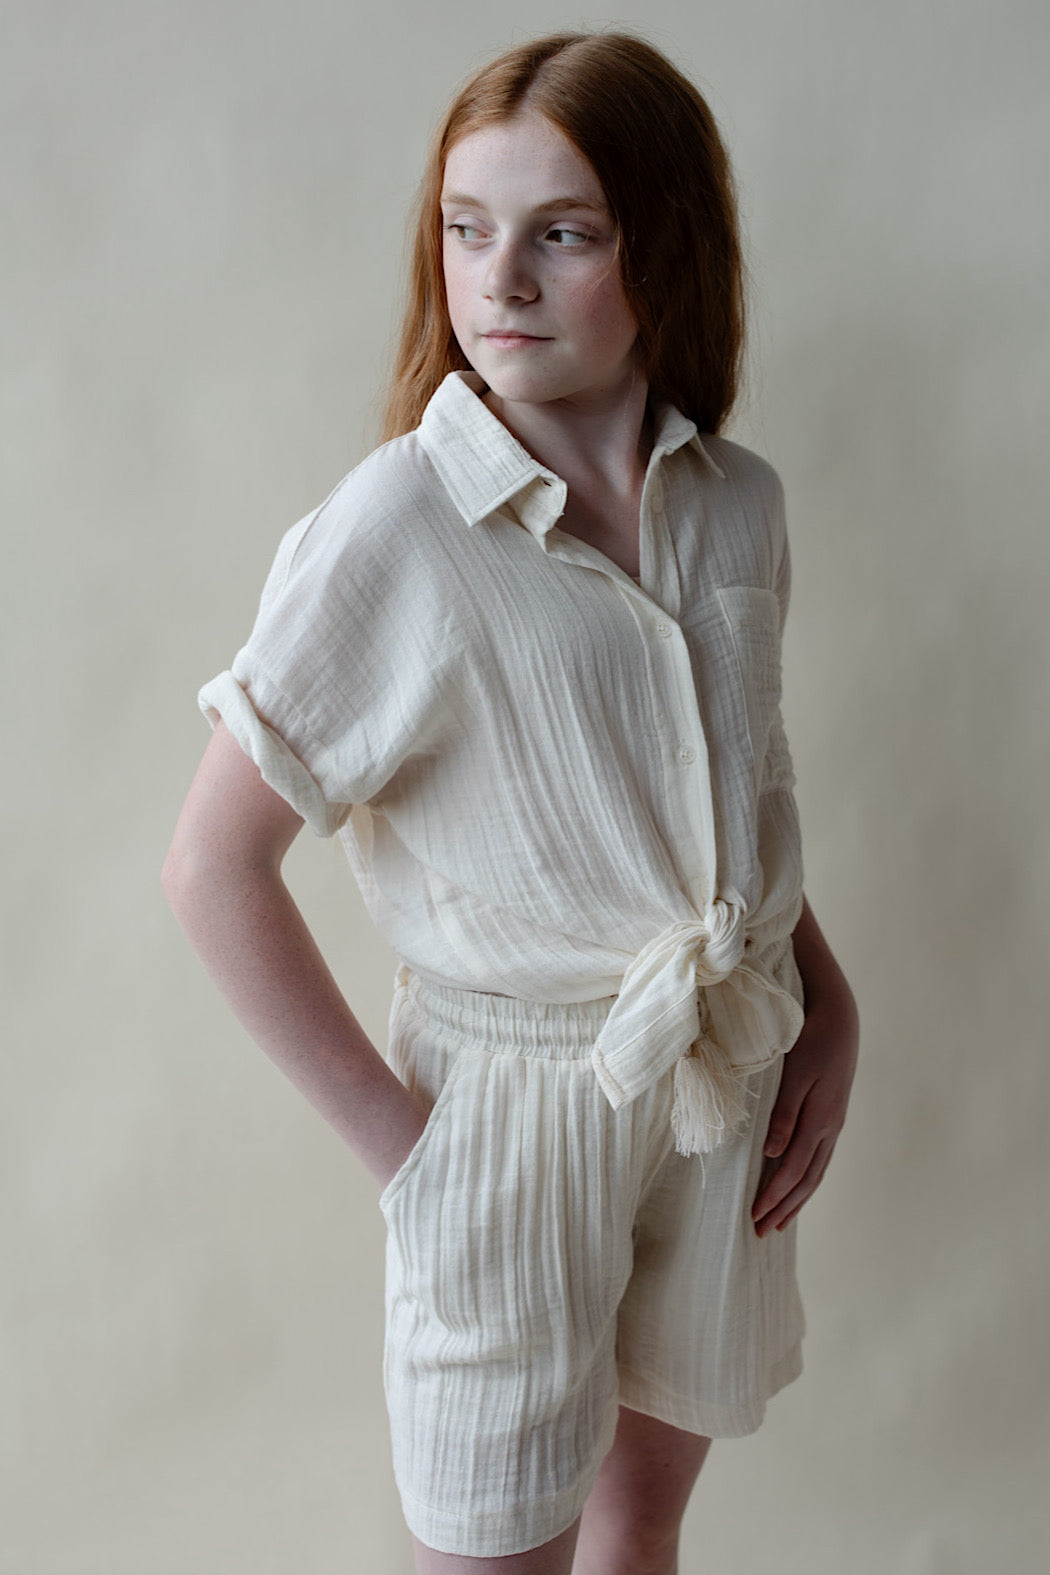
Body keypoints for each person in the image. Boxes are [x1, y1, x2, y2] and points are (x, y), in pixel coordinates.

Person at [162, 29, 859, 1575]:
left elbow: (730, 785)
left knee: (640, 1517)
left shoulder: (737, 503)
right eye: (466, 229)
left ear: (661, 246)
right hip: (509, 1113)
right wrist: (409, 1152)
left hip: (723, 1066)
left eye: (563, 233)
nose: (501, 281)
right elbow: (212, 866)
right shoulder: (400, 525)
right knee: (495, 1550)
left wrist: (828, 996)